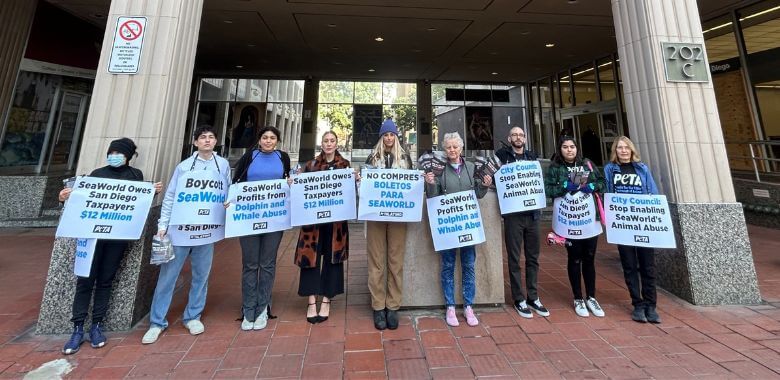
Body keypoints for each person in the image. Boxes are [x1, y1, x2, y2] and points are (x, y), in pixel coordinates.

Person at [59, 138, 162, 355]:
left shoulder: (136, 176)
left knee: (106, 280)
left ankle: (97, 324)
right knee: (85, 281)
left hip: (117, 239)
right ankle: (77, 327)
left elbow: (138, 204)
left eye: (119, 153)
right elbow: (78, 202)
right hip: (91, 238)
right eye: (112, 152)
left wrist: (152, 192)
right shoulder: (96, 175)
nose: (114, 156)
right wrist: (63, 198)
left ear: (128, 155)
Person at [142, 126, 231, 344]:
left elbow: (227, 191)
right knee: (168, 277)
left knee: (201, 276)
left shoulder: (223, 165)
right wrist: (163, 224)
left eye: (211, 137)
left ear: (216, 141)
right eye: (203, 137)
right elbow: (171, 196)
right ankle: (157, 321)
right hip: (180, 231)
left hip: (206, 232)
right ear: (195, 142)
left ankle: (192, 316)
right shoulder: (183, 167)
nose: (207, 141)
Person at [424, 132, 492, 327]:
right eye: (448, 147)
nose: (452, 150)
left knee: (469, 265)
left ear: (461, 148)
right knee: (448, 266)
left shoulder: (470, 167)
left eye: (455, 147)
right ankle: (451, 306)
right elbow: (434, 195)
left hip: (467, 226)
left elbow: (477, 194)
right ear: (444, 150)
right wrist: (430, 184)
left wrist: (485, 186)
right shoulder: (439, 169)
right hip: (448, 228)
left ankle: (469, 306)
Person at [232, 126, 291, 330]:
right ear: (259, 140)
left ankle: (263, 307)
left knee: (267, 264)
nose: (268, 141)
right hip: (248, 218)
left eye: (272, 138)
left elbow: (286, 181)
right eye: (264, 137)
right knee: (250, 264)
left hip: (274, 219)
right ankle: (248, 308)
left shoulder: (282, 158)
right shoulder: (250, 157)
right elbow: (236, 183)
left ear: (277, 141)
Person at [293, 131, 355, 324]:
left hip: (335, 223)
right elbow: (301, 191)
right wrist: (294, 182)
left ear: (337, 144)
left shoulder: (344, 165)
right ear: (322, 143)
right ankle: (311, 301)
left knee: (332, 259)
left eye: (332, 141)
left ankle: (326, 299)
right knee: (310, 259)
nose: (329, 144)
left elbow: (349, 193)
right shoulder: (310, 165)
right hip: (313, 223)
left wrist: (355, 180)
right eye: (326, 141)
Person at [544, 135, 606, 318]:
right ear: (560, 149)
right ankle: (578, 297)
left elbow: (602, 183)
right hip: (568, 220)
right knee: (574, 258)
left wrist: (592, 186)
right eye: (565, 147)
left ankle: (591, 297)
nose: (569, 150)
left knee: (589, 258)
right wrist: (565, 186)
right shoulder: (555, 168)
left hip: (588, 219)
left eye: (572, 146)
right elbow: (548, 189)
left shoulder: (587, 164)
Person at [604, 136, 661, 323]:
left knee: (647, 265)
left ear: (631, 150)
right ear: (615, 151)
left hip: (643, 223)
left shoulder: (642, 169)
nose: (623, 151)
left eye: (626, 147)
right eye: (619, 147)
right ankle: (637, 303)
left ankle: (651, 305)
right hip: (623, 225)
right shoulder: (610, 170)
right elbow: (606, 194)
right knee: (629, 266)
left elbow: (652, 193)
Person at [364, 118, 414, 330]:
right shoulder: (372, 157)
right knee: (376, 262)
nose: (389, 137)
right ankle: (378, 306)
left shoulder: (405, 158)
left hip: (398, 217)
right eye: (385, 134)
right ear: (381, 137)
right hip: (376, 215)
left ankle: (393, 306)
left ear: (396, 136)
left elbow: (412, 183)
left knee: (395, 261)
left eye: (392, 134)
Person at [495, 126, 549, 319]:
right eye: (514, 135)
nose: (518, 138)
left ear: (525, 139)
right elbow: (494, 179)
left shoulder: (532, 157)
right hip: (513, 216)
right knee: (514, 258)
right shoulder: (501, 156)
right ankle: (519, 298)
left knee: (533, 258)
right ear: (509, 138)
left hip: (533, 215)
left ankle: (533, 296)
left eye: (521, 135)